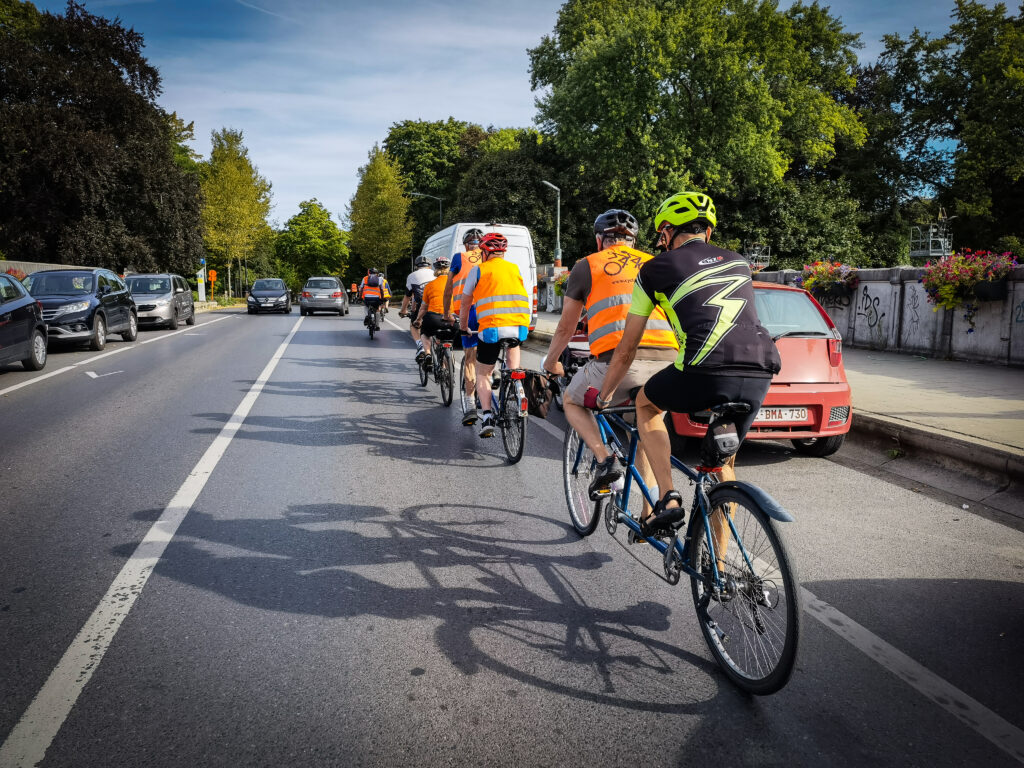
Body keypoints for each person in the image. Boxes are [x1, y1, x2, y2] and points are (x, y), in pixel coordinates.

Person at [590, 192, 780, 535]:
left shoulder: (655, 269)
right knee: (721, 466)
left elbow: (627, 347)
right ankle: (719, 574)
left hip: (705, 367)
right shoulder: (738, 260)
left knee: (646, 404)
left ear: (665, 232)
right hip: (760, 369)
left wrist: (604, 397)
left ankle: (668, 498)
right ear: (707, 231)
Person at [543, 209, 678, 504]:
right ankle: (652, 510)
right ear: (633, 241)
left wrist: (550, 361)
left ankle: (605, 461)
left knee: (572, 400)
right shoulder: (655, 262)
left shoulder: (587, 265)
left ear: (599, 239)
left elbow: (567, 327)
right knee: (644, 429)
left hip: (617, 364)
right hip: (667, 361)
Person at [459, 232, 530, 438]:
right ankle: (515, 387)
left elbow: (465, 303)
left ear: (484, 251)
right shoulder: (514, 268)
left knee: (484, 374)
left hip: (491, 329)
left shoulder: (478, 270)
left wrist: (464, 327)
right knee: (513, 367)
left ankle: (488, 416)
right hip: (518, 328)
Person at [443, 228, 485, 425]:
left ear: (466, 244)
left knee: (470, 357)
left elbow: (449, 288)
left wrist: (446, 313)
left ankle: (469, 404)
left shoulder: (459, 257)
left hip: (468, 312)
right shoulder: (489, 258)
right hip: (490, 311)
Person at [412, 256, 453, 362]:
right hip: (452, 319)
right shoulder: (455, 284)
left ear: (435, 270)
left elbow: (424, 308)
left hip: (434, 318)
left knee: (424, 334)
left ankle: (428, 353)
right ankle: (447, 366)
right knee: (448, 339)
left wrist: (418, 320)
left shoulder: (430, 286)